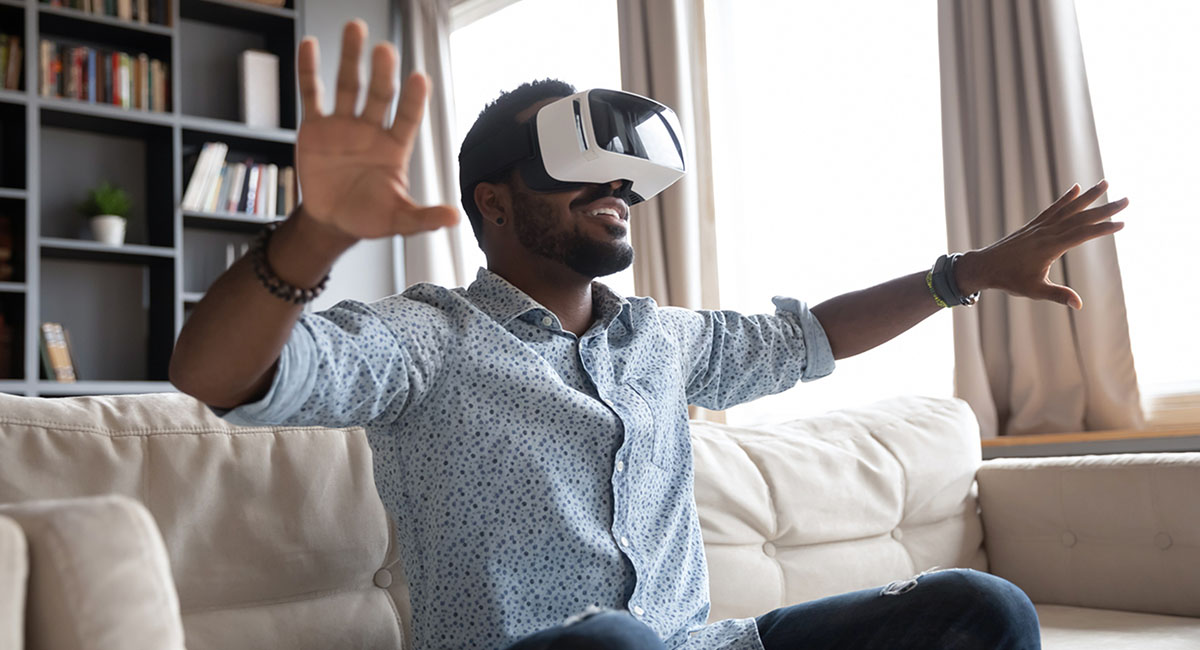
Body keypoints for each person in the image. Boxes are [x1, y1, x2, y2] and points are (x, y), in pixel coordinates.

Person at [170, 20, 1127, 650]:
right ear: (493, 202)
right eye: (584, 174)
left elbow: (810, 337)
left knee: (979, 608)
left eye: (627, 180)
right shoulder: (428, 340)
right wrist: (319, 232)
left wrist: (962, 276)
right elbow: (215, 375)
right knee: (614, 643)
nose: (621, 194)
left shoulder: (662, 341)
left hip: (700, 646)